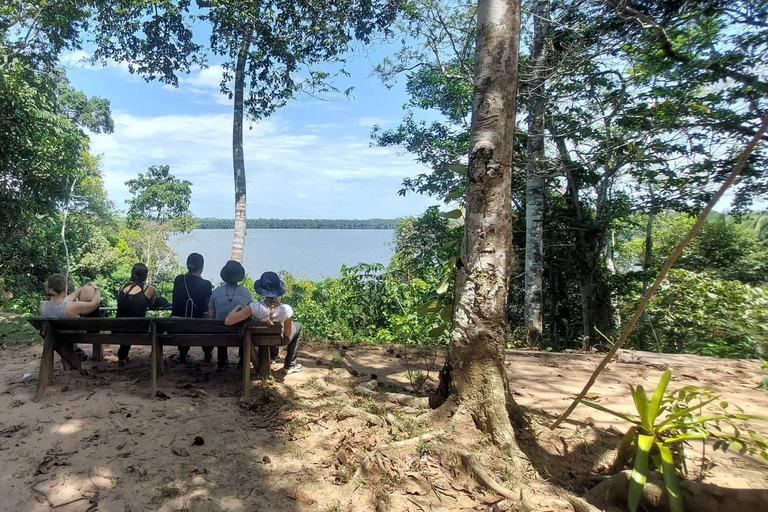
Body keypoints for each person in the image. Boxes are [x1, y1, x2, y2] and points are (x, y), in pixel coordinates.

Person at [225, 271, 303, 374]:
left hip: (257, 340)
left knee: (268, 331)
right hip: (278, 340)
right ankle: (289, 365)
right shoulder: (286, 309)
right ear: (278, 290)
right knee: (298, 326)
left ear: (262, 290)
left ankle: (273, 356)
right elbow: (287, 335)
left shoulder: (254, 307)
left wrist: (238, 307)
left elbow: (228, 321)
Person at [41, 274, 101, 361]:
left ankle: (75, 353)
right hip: (76, 336)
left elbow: (64, 300)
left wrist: (83, 287)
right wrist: (96, 290)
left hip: (55, 337)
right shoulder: (71, 307)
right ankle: (76, 352)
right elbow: (94, 304)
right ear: (65, 288)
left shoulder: (43, 306)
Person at [208, 260, 253, 371]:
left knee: (220, 324)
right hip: (240, 334)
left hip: (221, 333)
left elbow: (211, 316)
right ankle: (242, 362)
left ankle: (222, 362)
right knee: (244, 324)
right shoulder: (246, 292)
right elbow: (251, 310)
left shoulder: (216, 292)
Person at [171, 253, 213, 363]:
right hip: (198, 324)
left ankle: (183, 353)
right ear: (202, 267)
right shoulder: (206, 284)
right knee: (208, 322)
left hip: (177, 325)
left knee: (182, 320)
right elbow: (206, 307)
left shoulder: (179, 280)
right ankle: (207, 352)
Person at [115, 263, 157, 366]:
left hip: (118, 328)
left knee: (127, 323)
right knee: (155, 325)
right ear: (145, 275)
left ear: (132, 273)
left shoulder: (121, 288)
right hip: (139, 328)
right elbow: (151, 304)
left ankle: (122, 356)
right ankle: (156, 356)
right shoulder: (150, 290)